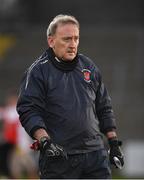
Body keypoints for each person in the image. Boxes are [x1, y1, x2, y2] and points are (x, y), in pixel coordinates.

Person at [17, 14, 124, 179]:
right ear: (51, 41)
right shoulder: (38, 72)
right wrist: (45, 141)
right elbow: (28, 110)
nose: (72, 44)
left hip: (95, 156)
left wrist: (113, 143)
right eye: (66, 39)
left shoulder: (89, 67)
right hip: (59, 157)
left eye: (76, 38)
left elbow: (104, 107)